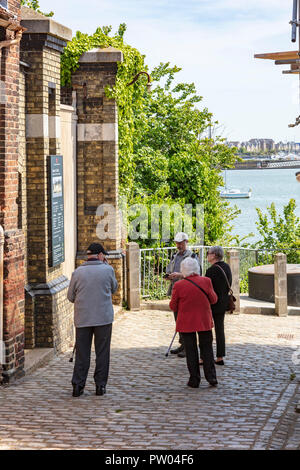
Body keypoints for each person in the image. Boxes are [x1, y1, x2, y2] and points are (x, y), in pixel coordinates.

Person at [67, 242, 118, 397]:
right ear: (101, 255)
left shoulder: (77, 273)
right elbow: (114, 289)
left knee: (82, 353)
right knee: (102, 353)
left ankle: (78, 385)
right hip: (103, 319)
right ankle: (100, 386)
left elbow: (70, 297)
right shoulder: (108, 270)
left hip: (83, 319)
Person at [169, 257, 218, 388]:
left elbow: (173, 306)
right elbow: (214, 299)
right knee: (207, 349)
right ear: (197, 269)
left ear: (183, 271)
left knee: (191, 351)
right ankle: (211, 377)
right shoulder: (206, 281)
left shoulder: (179, 285)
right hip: (204, 321)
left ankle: (194, 379)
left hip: (186, 323)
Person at [165, 232, 202, 358]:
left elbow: (197, 273)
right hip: (176, 289)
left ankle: (188, 347)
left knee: (186, 319)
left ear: (186, 242)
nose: (178, 245)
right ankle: (183, 344)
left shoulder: (192, 256)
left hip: (187, 291)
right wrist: (169, 275)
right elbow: (169, 269)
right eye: (177, 243)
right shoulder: (175, 255)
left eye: (181, 243)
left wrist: (180, 275)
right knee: (178, 319)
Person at [205, 246, 232, 366]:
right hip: (223, 302)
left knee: (206, 330)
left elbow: (206, 288)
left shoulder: (211, 271)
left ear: (214, 255)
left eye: (208, 253)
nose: (207, 255)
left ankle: (204, 357)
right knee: (220, 329)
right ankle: (220, 357)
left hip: (211, 303)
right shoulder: (226, 267)